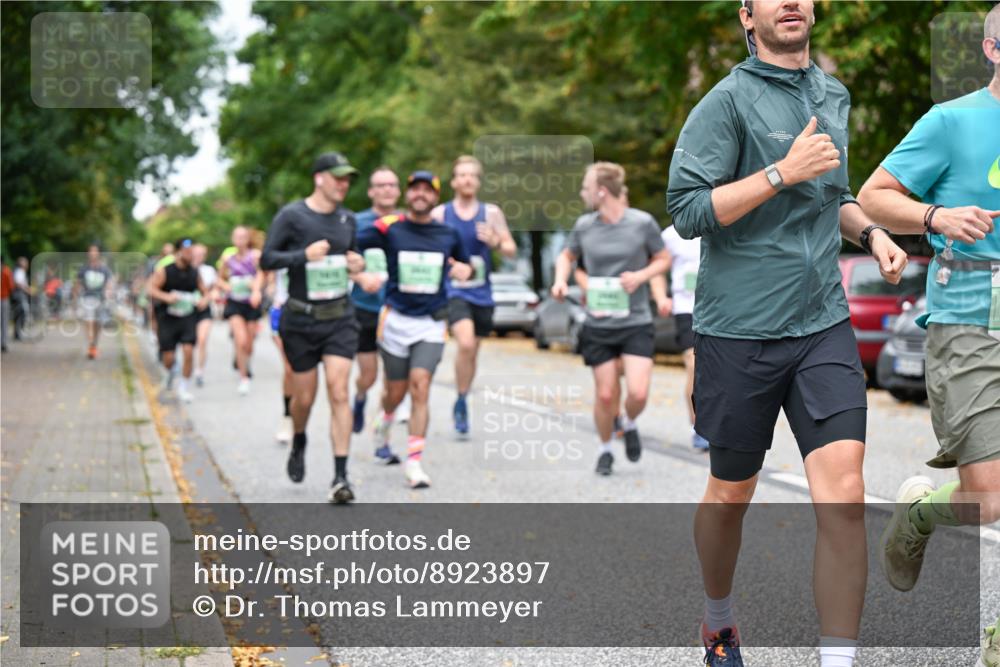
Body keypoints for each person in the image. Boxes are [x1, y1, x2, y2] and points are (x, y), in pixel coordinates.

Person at [666, 1, 909, 665]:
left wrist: (875, 231)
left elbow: (833, 198)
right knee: (730, 492)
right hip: (739, 329)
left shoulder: (833, 93)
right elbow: (687, 210)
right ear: (748, 16)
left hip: (822, 323)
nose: (792, 1)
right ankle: (718, 617)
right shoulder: (725, 102)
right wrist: (779, 172)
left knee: (844, 493)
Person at [856, 7, 1000, 664]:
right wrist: (936, 213)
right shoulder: (951, 120)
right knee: (990, 496)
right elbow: (874, 194)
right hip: (971, 314)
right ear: (993, 49)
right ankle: (922, 510)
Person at [260, 151, 376, 504]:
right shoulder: (292, 216)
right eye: (337, 177)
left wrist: (358, 264)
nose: (344, 184)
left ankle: (341, 477)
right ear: (319, 178)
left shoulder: (347, 219)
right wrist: (302, 256)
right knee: (305, 398)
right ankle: (299, 438)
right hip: (301, 320)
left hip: (340, 318)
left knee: (339, 391)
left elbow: (351, 259)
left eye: (347, 179)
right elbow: (267, 258)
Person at [551, 162, 669, 477]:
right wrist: (561, 280)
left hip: (635, 320)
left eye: (586, 187)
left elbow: (663, 258)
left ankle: (628, 422)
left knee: (638, 392)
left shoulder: (642, 223)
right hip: (599, 324)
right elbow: (567, 256)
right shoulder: (584, 226)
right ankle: (605, 450)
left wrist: (641, 276)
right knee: (605, 394)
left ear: (602, 191)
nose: (582, 193)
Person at [358, 171, 473, 489]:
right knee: (394, 392)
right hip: (395, 320)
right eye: (415, 189)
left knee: (420, 386)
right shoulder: (390, 229)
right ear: (408, 195)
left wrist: (466, 268)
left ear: (435, 197)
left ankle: (414, 463)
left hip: (431, 322)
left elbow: (467, 264)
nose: (421, 194)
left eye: (427, 190)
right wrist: (358, 273)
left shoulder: (448, 234)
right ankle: (384, 421)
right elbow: (353, 244)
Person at [432, 155, 518, 436]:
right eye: (462, 175)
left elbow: (510, 249)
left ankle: (462, 396)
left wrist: (495, 242)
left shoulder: (491, 212)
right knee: (466, 344)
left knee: (474, 350)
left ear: (478, 181)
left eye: (472, 175)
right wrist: (450, 265)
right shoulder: (441, 214)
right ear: (454, 181)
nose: (467, 180)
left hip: (482, 292)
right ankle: (460, 398)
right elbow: (429, 250)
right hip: (454, 290)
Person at [349, 166, 401, 452]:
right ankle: (359, 398)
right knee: (368, 376)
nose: (386, 190)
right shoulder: (357, 222)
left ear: (398, 191)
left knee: (394, 380)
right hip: (364, 309)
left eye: (391, 185)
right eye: (380, 185)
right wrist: (359, 277)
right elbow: (341, 259)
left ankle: (383, 437)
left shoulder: (407, 222)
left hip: (396, 311)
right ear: (371, 191)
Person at [659, 223, 708, 450]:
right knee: (693, 364)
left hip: (719, 308)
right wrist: (661, 297)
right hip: (686, 308)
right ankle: (698, 426)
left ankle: (719, 423)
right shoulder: (670, 235)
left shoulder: (723, 221)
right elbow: (656, 266)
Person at [147, 238, 209, 404]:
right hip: (168, 318)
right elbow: (150, 288)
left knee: (189, 351)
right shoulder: (165, 271)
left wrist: (204, 300)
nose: (190, 255)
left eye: (192, 251)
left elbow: (205, 291)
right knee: (169, 357)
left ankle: (184, 387)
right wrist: (166, 297)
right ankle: (171, 370)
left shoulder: (195, 272)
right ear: (178, 252)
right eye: (187, 251)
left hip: (187, 317)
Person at [219, 226, 264, 395]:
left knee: (249, 345)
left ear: (248, 238)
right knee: (241, 339)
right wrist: (228, 286)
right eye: (237, 237)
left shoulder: (255, 256)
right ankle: (244, 378)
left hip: (251, 304)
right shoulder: (227, 258)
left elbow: (263, 275)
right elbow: (220, 279)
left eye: (243, 236)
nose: (240, 240)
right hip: (235, 303)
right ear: (232, 239)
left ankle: (244, 360)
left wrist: (256, 289)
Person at [267, 268, 294, 444]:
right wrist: (265, 287)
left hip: (316, 314)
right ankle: (287, 417)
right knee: (290, 368)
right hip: (283, 312)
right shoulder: (281, 244)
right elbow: (266, 273)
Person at [73, 243, 114, 360]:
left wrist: (108, 292)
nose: (92, 253)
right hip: (87, 298)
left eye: (94, 251)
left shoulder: (104, 269)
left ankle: (94, 343)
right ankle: (91, 343)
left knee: (97, 323)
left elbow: (109, 282)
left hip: (100, 299)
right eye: (90, 251)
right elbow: (77, 283)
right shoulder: (84, 268)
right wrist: (75, 298)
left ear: (98, 253)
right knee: (89, 321)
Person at [192, 244, 217, 386]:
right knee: (189, 343)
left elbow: (214, 290)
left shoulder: (209, 271)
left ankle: (199, 371)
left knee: (202, 340)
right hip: (188, 310)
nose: (198, 256)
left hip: (204, 310)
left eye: (202, 254)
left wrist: (206, 299)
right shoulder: (185, 269)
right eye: (196, 253)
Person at [12, 257, 30, 340]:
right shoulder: (20, 271)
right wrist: (27, 290)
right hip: (19, 295)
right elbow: (18, 283)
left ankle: (17, 333)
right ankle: (18, 332)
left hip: (19, 295)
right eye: (25, 262)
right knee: (21, 313)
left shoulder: (20, 271)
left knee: (19, 314)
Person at [1, 260, 13, 352]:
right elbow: (10, 286)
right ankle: (3, 343)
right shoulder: (6, 271)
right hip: (3, 298)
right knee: (4, 322)